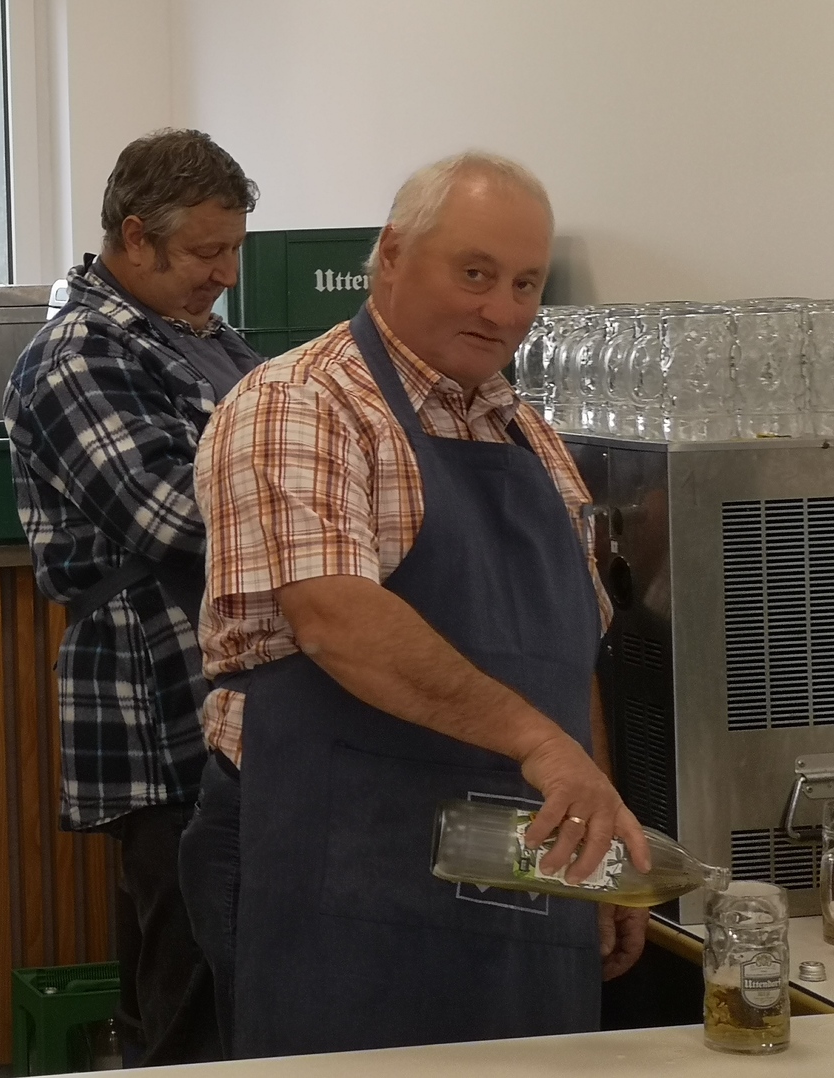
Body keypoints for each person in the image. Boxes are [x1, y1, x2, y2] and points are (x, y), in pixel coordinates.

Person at [183, 152, 648, 1059]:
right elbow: (336, 618)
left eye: (524, 284)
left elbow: (571, 655)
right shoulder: (299, 403)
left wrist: (600, 833)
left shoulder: (526, 430)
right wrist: (543, 747)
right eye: (474, 273)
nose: (502, 309)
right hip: (332, 867)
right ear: (392, 255)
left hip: (515, 870)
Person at [4, 128, 262, 1066]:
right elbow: (169, 516)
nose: (225, 273)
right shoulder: (78, 354)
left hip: (238, 691)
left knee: (231, 967)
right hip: (160, 699)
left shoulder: (208, 341)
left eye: (234, 249)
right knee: (190, 980)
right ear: (136, 236)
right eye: (205, 251)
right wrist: (318, 515)